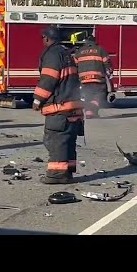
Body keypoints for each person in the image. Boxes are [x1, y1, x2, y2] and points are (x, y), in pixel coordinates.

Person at [33, 25, 85, 184]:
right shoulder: (67, 54)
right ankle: (67, 172)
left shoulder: (53, 55)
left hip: (60, 108)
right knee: (68, 141)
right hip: (73, 107)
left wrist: (37, 100)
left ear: (47, 38)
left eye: (43, 38)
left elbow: (48, 79)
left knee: (56, 140)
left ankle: (56, 175)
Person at [72, 35, 112, 118]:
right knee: (100, 95)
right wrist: (109, 72)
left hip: (83, 80)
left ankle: (89, 113)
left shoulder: (79, 51)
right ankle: (91, 111)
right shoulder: (100, 49)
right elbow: (107, 63)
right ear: (94, 41)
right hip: (98, 79)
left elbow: (74, 65)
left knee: (88, 96)